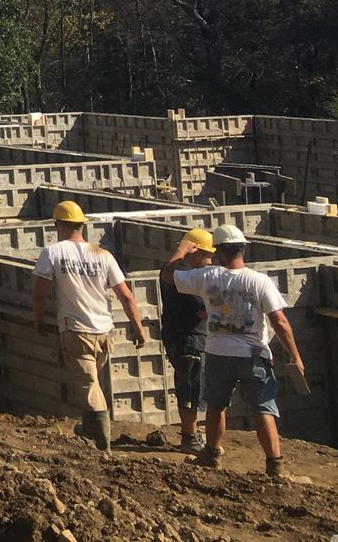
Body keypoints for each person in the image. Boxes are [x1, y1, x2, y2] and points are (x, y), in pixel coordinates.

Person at [171, 222, 306, 477]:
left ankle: (211, 455)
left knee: (216, 406)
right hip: (253, 354)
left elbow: (169, 275)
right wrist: (295, 355)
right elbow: (279, 320)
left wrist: (182, 250)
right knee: (263, 408)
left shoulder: (207, 276)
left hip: (217, 353)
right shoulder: (259, 281)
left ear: (219, 251)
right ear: (243, 249)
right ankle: (274, 466)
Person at [31, 199, 149, 454]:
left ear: (59, 225)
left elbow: (39, 293)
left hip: (76, 330)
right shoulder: (102, 254)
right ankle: (88, 430)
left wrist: (38, 319)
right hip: (105, 332)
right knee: (91, 381)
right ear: (81, 226)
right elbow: (126, 296)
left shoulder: (52, 252)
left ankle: (102, 444)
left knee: (89, 386)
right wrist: (138, 328)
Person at [157, 227, 215, 452]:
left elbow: (167, 269)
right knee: (190, 387)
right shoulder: (187, 278)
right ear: (195, 252)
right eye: (208, 255)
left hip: (178, 336)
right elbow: (204, 311)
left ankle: (191, 434)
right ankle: (190, 437)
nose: (210, 261)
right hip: (190, 339)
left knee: (187, 383)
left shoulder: (172, 271)